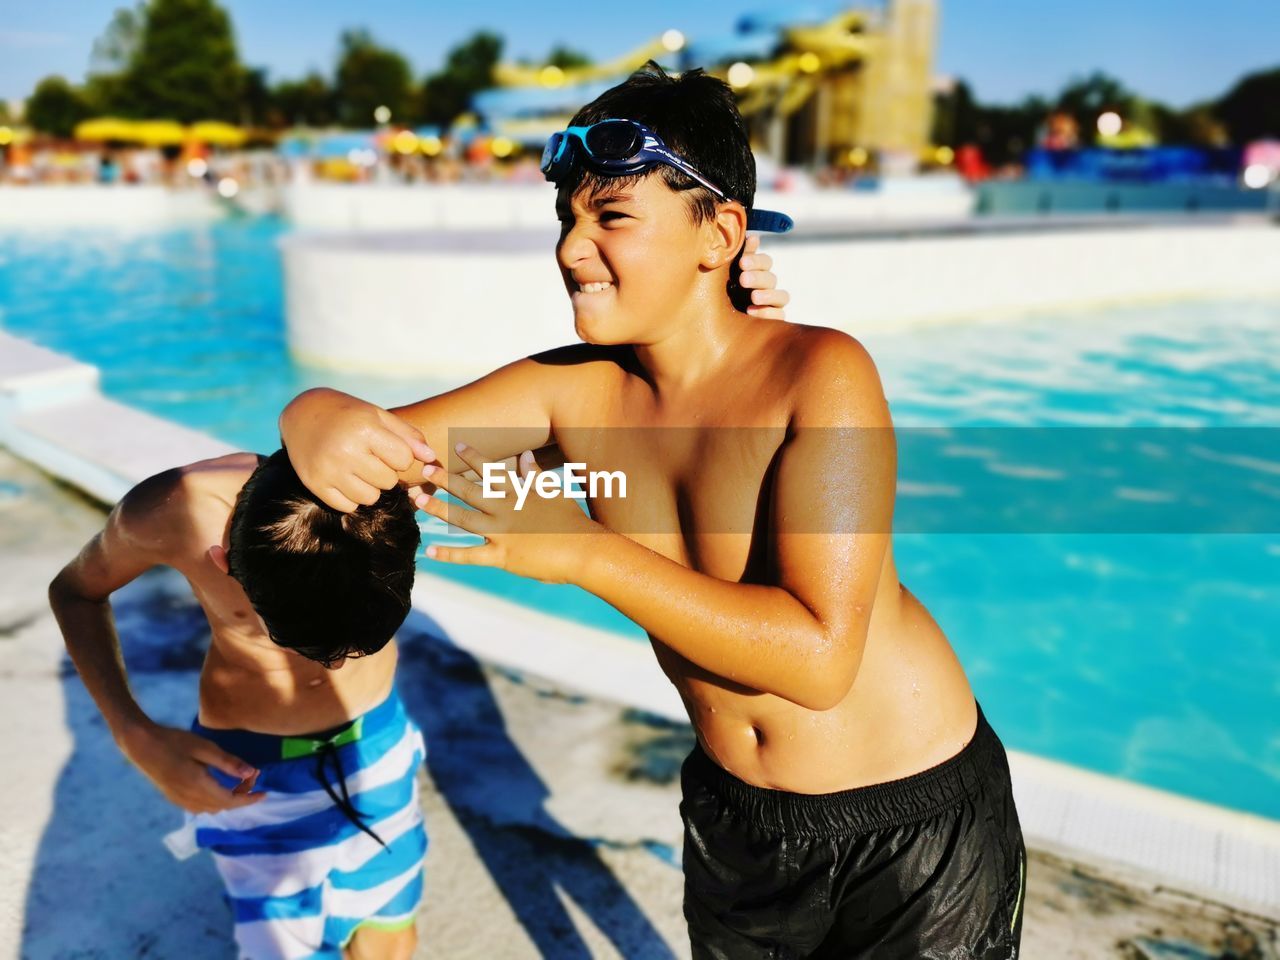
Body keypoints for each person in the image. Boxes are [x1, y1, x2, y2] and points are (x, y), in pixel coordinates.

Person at [279, 61, 1023, 958]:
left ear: (721, 235)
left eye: (612, 217)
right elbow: (376, 451)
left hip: (912, 823)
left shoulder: (819, 375)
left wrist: (582, 552)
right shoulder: (575, 394)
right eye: (567, 218)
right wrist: (312, 410)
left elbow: (822, 660)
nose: (569, 248)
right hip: (737, 816)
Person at [49, 449, 426, 960]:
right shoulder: (176, 510)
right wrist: (132, 732)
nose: (334, 666)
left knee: (389, 926)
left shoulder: (388, 470)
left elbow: (561, 414)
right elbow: (75, 591)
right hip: (254, 769)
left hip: (378, 741)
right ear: (226, 563)